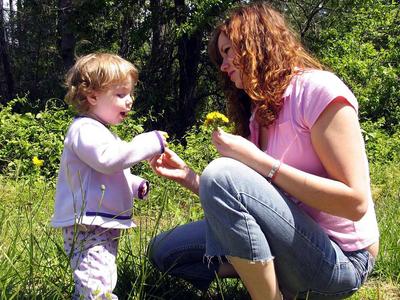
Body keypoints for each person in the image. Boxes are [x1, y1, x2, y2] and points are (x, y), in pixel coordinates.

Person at [148, 3, 379, 300]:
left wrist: (257, 160)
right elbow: (257, 203)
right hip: (288, 244)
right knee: (165, 251)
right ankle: (269, 281)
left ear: (258, 43)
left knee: (221, 172)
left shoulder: (318, 91)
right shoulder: (259, 114)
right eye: (221, 56)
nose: (223, 65)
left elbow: (355, 203)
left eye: (229, 51)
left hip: (340, 261)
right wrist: (190, 177)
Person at [51, 53, 167, 299]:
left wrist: (135, 185)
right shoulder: (84, 129)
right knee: (96, 281)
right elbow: (109, 160)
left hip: (101, 223)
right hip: (87, 224)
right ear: (92, 96)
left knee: (100, 275)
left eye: (130, 94)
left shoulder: (101, 132)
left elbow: (108, 171)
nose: (129, 101)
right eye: (120, 94)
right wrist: (148, 142)